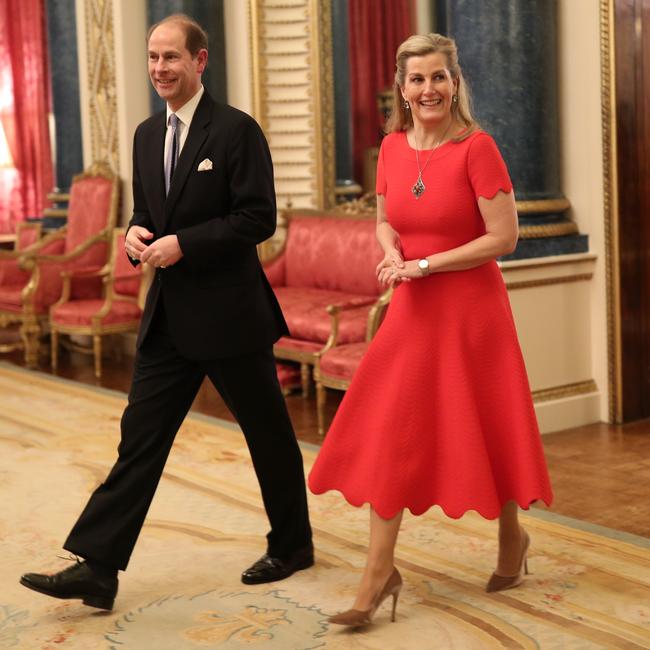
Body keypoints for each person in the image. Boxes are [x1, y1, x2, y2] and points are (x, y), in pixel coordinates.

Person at [20, 14, 313, 611]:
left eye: (171, 58)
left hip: (231, 316)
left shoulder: (236, 131)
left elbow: (258, 219)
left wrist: (186, 243)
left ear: (200, 61)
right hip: (169, 318)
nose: (159, 69)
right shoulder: (145, 135)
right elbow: (148, 212)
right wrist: (134, 234)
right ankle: (98, 567)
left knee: (268, 436)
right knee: (140, 440)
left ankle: (293, 544)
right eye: (153, 58)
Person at [308, 33, 553, 627]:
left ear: (455, 82)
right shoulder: (392, 147)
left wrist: (421, 265)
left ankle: (511, 540)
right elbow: (386, 221)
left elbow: (504, 238)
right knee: (393, 430)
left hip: (471, 310)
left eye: (439, 77)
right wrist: (392, 252)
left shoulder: (478, 148)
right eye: (417, 79)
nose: (429, 89)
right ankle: (377, 575)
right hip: (413, 310)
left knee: (486, 424)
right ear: (402, 86)